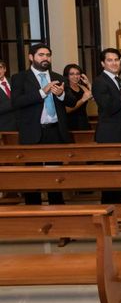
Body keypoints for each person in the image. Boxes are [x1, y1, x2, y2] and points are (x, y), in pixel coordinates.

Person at [11, 44, 76, 204]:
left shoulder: (58, 77)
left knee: (56, 176)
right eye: (41, 55)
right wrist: (42, 92)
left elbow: (72, 102)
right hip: (33, 132)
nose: (45, 58)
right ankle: (33, 210)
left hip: (55, 131)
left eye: (48, 55)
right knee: (33, 176)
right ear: (31, 57)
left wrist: (61, 95)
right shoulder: (20, 78)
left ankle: (57, 207)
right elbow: (17, 102)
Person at [93, 48, 121, 204]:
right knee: (111, 174)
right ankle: (108, 207)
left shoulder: (119, 80)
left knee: (120, 173)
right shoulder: (100, 81)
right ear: (103, 63)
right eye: (110, 60)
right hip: (109, 133)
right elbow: (108, 107)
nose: (114, 63)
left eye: (116, 59)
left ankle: (118, 205)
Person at [63, 64, 92, 131]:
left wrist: (88, 83)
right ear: (67, 75)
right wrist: (82, 100)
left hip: (83, 122)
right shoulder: (64, 88)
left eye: (78, 74)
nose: (75, 76)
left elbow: (93, 97)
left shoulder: (81, 87)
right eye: (72, 74)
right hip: (70, 123)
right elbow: (66, 110)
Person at [0, 60, 16, 131]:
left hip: (23, 125)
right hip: (4, 128)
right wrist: (18, 100)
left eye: (0, 67)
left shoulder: (15, 81)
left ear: (4, 69)